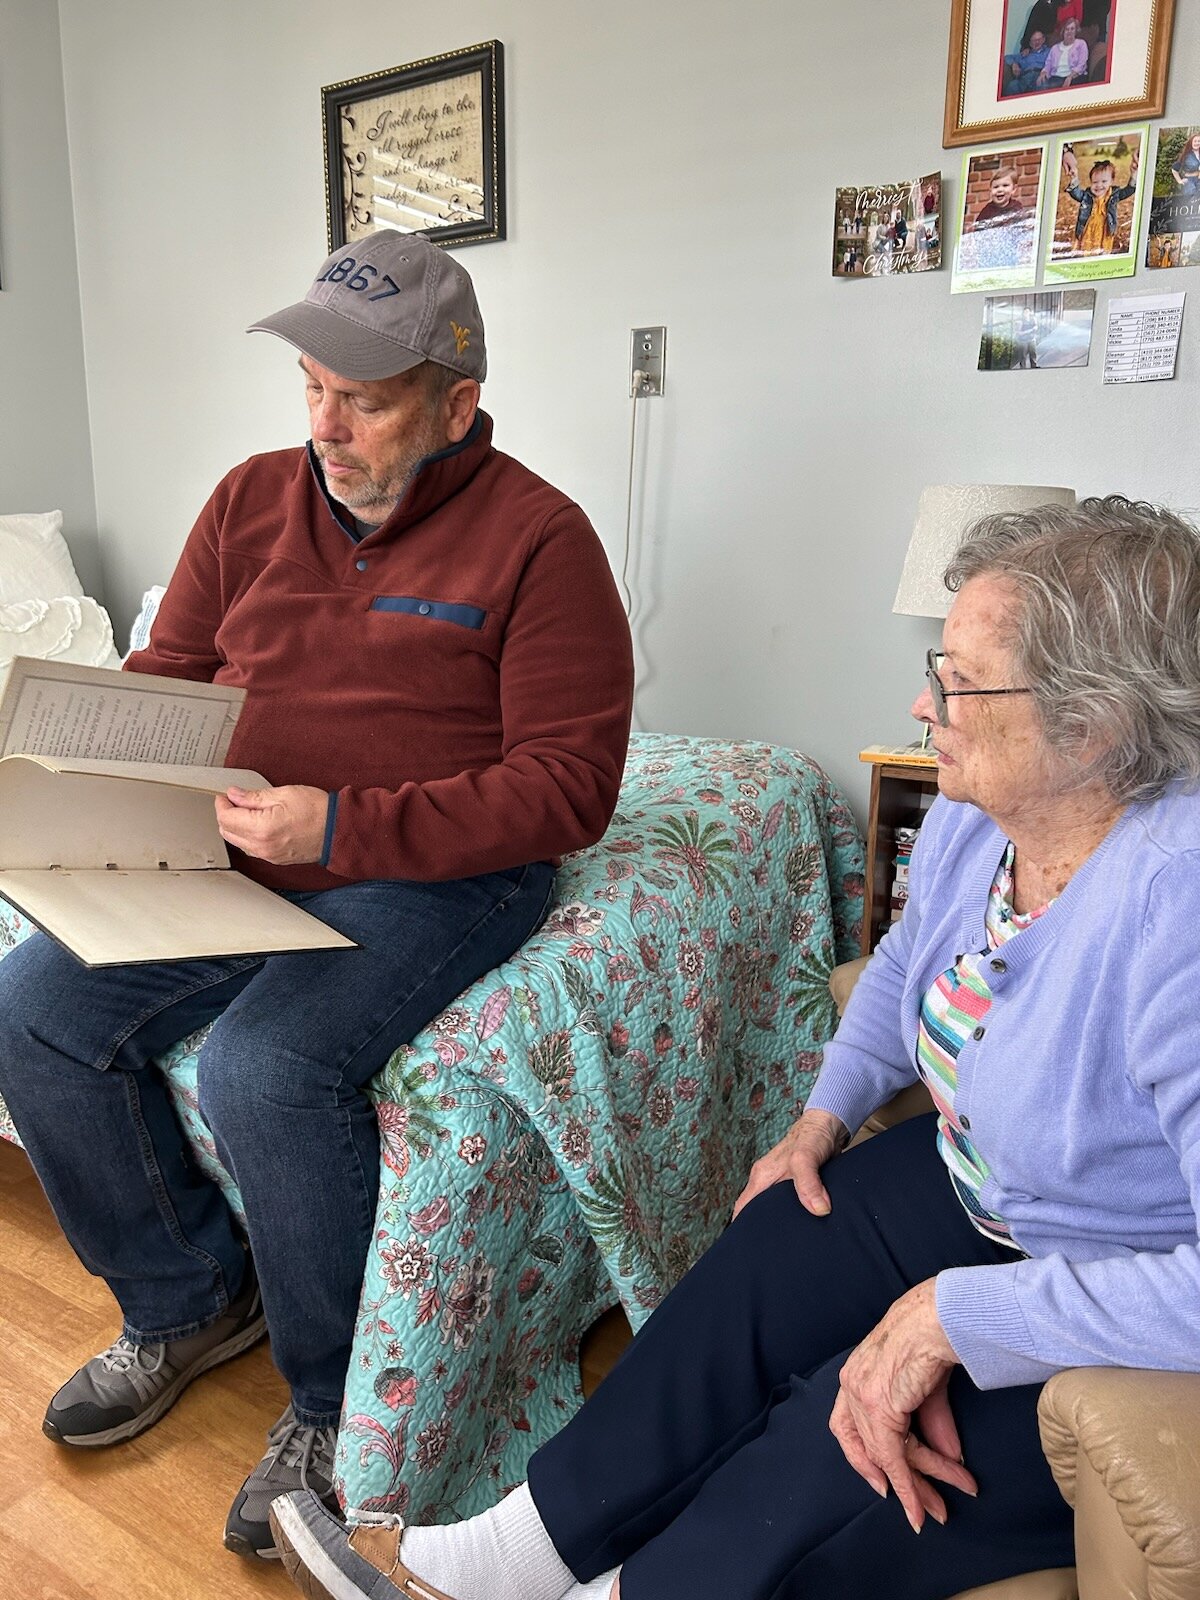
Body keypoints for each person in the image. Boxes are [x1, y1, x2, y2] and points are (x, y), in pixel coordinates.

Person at [268, 494, 1200, 1600]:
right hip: (990, 1186)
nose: (920, 701)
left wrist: (959, 1316)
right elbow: (907, 967)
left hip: (1122, 1281)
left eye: (957, 679)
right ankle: (506, 1559)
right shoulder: (978, 808)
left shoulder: (1174, 912)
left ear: (1092, 726)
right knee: (766, 1250)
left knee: (845, 1438)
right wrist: (822, 1118)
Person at [0, 229, 634, 1559]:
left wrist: (344, 817)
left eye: (366, 397)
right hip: (241, 854)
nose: (327, 425)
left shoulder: (541, 539)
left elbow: (567, 789)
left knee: (261, 1070)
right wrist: (86, 774)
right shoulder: (246, 502)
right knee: (30, 1005)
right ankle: (184, 1300)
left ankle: (337, 1405)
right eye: (310, 387)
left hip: (440, 874)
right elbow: (172, 675)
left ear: (455, 404)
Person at [1062, 143, 1139, 253]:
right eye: (1095, 182)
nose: (1099, 185)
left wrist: (1134, 175)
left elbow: (1129, 190)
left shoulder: (1114, 194)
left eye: (1104, 181)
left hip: (1105, 230)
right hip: (1088, 230)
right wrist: (1074, 178)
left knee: (1104, 249)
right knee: (1087, 249)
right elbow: (1076, 193)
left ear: (1111, 182)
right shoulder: (1087, 195)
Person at [968, 168, 1034, 271]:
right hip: (989, 255)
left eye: (1005, 185)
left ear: (1014, 189)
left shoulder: (1016, 208)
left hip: (1010, 254)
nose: (1000, 190)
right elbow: (978, 232)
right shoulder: (987, 211)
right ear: (990, 190)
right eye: (996, 187)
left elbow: (1023, 230)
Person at [1037, 17, 1088, 85]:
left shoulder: (1081, 44)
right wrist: (1043, 73)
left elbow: (1081, 64)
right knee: (1041, 83)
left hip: (1075, 76)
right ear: (1063, 31)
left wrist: (1070, 76)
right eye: (1067, 29)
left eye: (1072, 29)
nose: (1069, 32)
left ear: (1076, 31)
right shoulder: (1054, 48)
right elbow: (1048, 64)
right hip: (1056, 77)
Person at [1002, 30, 1050, 94]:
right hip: (1024, 78)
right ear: (1030, 43)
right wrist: (1014, 64)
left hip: (1039, 75)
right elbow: (1007, 57)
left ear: (1043, 40)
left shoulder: (1049, 51)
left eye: (1039, 39)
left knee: (1042, 86)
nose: (1037, 42)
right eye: (1034, 40)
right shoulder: (1024, 54)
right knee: (1012, 86)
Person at [1171, 130, 1200, 197]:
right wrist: (1179, 181)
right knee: (1191, 202)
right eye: (1195, 141)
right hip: (1189, 182)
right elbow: (1174, 169)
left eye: (1199, 141)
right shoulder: (1186, 155)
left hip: (1199, 180)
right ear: (1191, 143)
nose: (1197, 143)